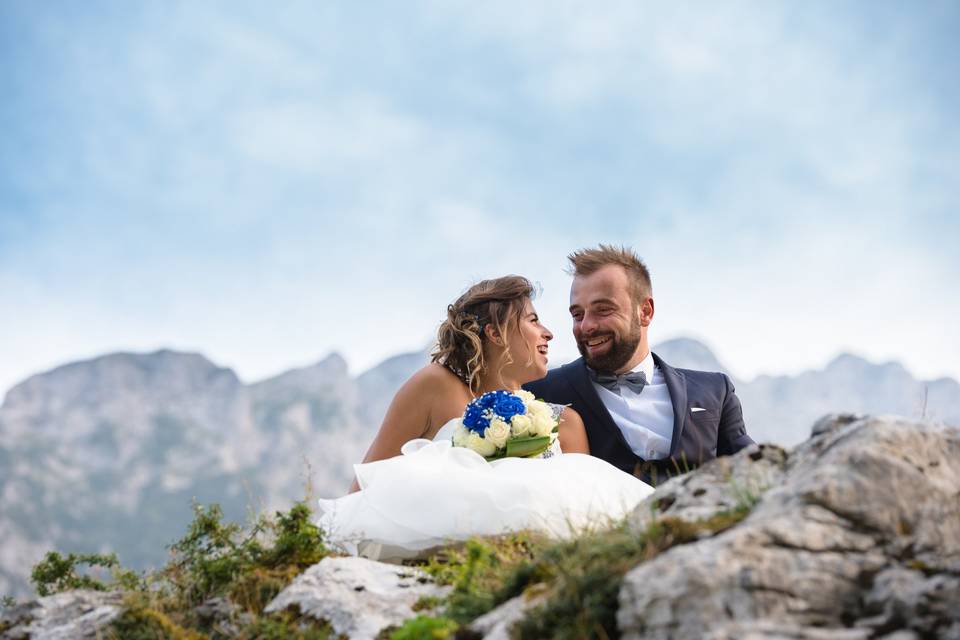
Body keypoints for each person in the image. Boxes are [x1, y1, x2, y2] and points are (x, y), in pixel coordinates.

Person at [319, 275, 653, 560]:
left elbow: (582, 519)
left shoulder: (565, 423)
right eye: (534, 320)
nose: (549, 333)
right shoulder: (434, 385)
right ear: (495, 334)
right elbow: (364, 489)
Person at [525, 245, 754, 486]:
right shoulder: (541, 392)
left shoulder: (715, 390)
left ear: (645, 311)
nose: (586, 326)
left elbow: (754, 469)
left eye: (603, 310)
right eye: (578, 315)